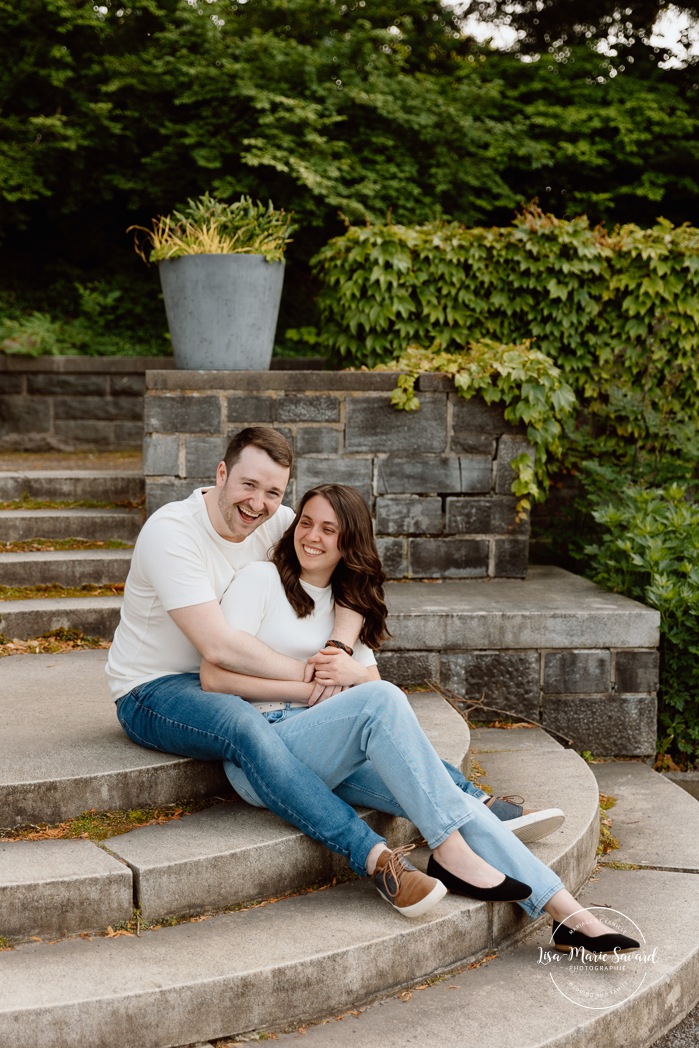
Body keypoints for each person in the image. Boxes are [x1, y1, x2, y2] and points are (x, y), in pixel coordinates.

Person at [200, 484, 640, 953]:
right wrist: (312, 688)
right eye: (305, 522)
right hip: (263, 753)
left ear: (349, 541)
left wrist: (352, 671)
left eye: (329, 529)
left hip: (329, 754)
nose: (312, 536)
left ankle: (568, 914)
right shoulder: (259, 580)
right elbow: (215, 677)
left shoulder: (345, 605)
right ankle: (450, 853)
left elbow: (368, 686)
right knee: (386, 702)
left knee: (446, 795)